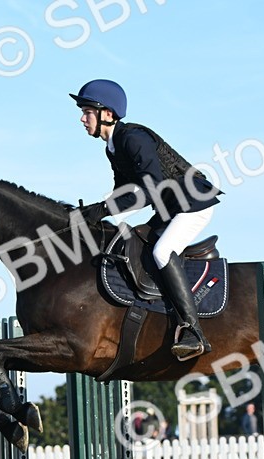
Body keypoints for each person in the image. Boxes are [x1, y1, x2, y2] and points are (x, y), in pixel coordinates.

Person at [72, 78, 221, 361]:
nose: (82, 118)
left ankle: (193, 331)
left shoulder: (133, 139)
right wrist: (90, 214)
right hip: (170, 208)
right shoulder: (113, 147)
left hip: (193, 203)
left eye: (87, 111)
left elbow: (148, 191)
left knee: (162, 251)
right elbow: (123, 193)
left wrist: (103, 209)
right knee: (132, 242)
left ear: (107, 113)